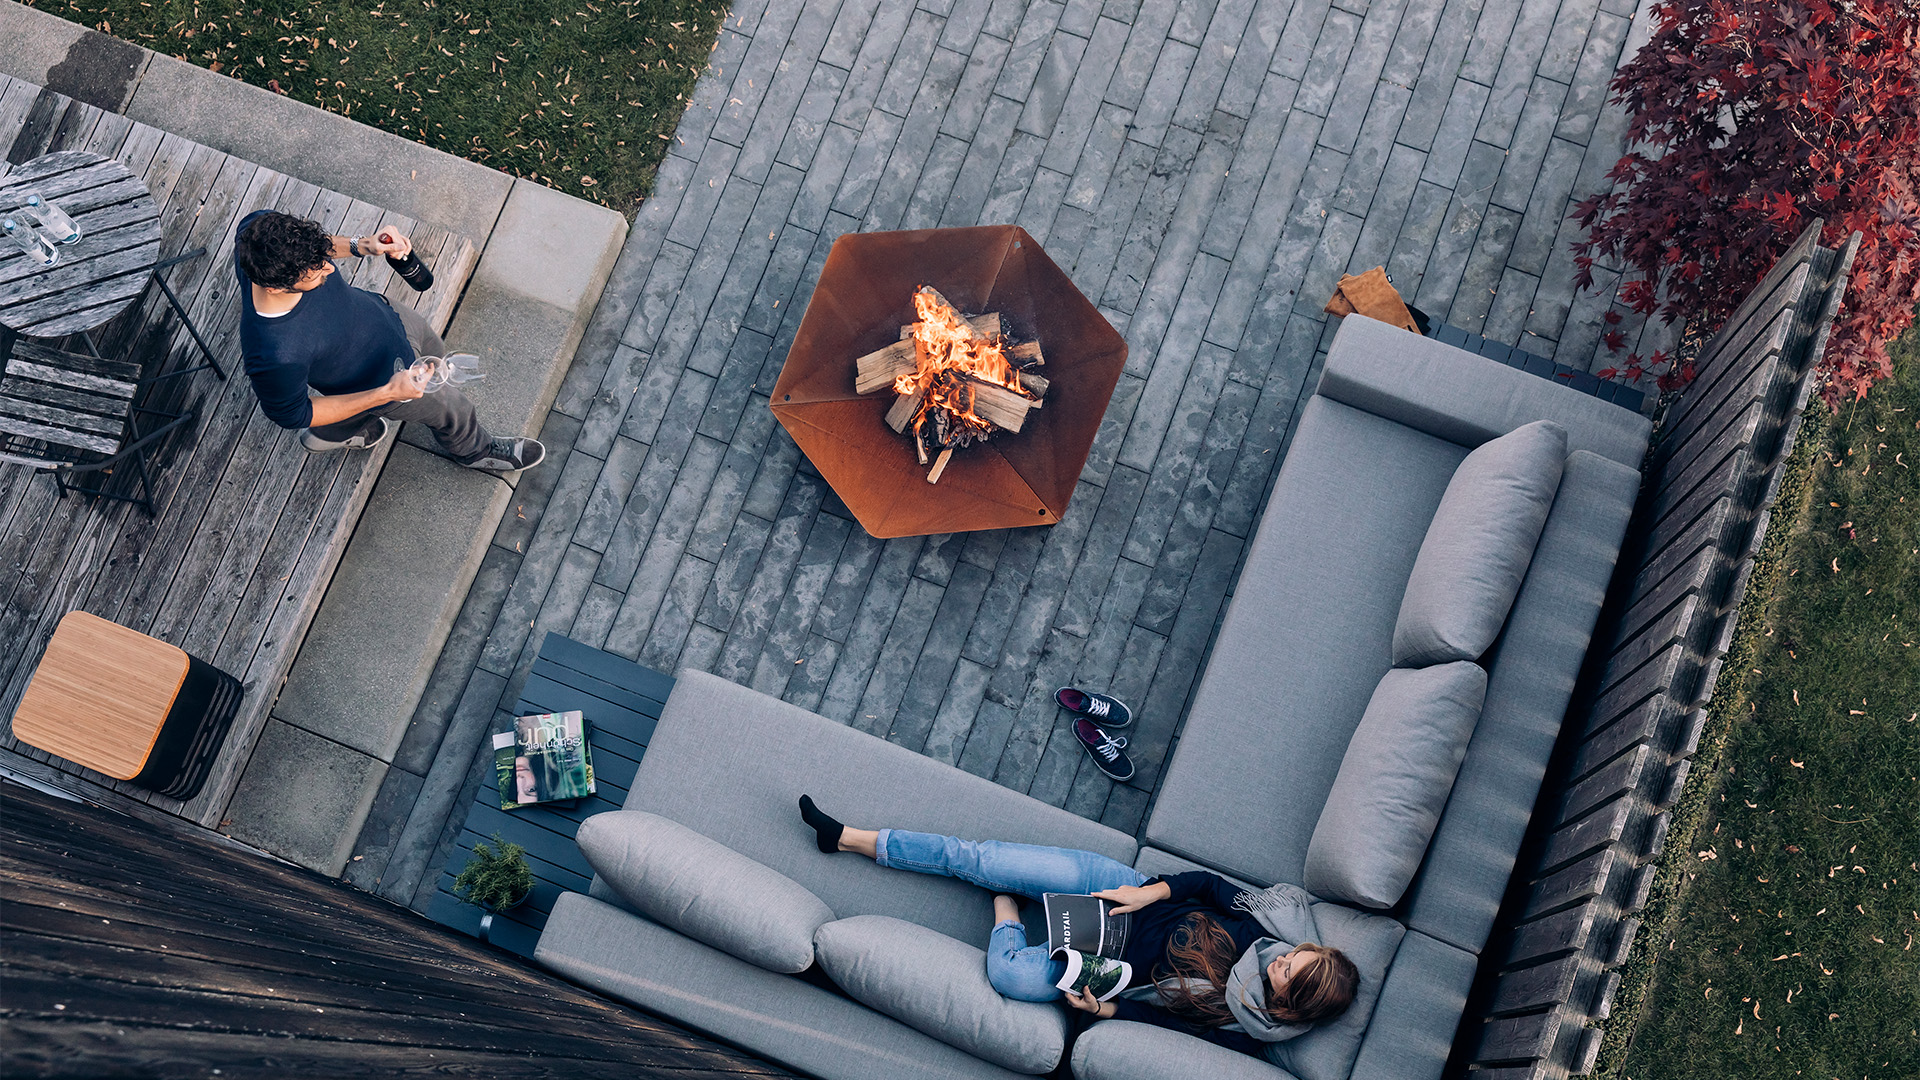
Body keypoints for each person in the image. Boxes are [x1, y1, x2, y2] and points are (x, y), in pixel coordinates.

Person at [797, 796, 1358, 1058]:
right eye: (1295, 955)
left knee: (1010, 978)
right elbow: (1207, 886)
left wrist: (1103, 1010)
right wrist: (1145, 891)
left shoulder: (1242, 1028)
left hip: (1096, 961)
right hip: (1114, 889)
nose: (1279, 959)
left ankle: (1006, 908)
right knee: (981, 857)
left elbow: (1175, 1029)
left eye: (1288, 973)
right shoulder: (1262, 926)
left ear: (1290, 1005)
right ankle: (849, 836)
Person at [233, 210, 544, 472]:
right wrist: (386, 393)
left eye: (321, 259)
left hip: (387, 314)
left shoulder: (256, 231)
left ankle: (331, 432)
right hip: (382, 379)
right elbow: (292, 413)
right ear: (274, 287)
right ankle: (475, 450)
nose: (328, 267)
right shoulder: (274, 354)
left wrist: (363, 246)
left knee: (438, 353)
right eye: (315, 275)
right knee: (453, 408)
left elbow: (316, 248)